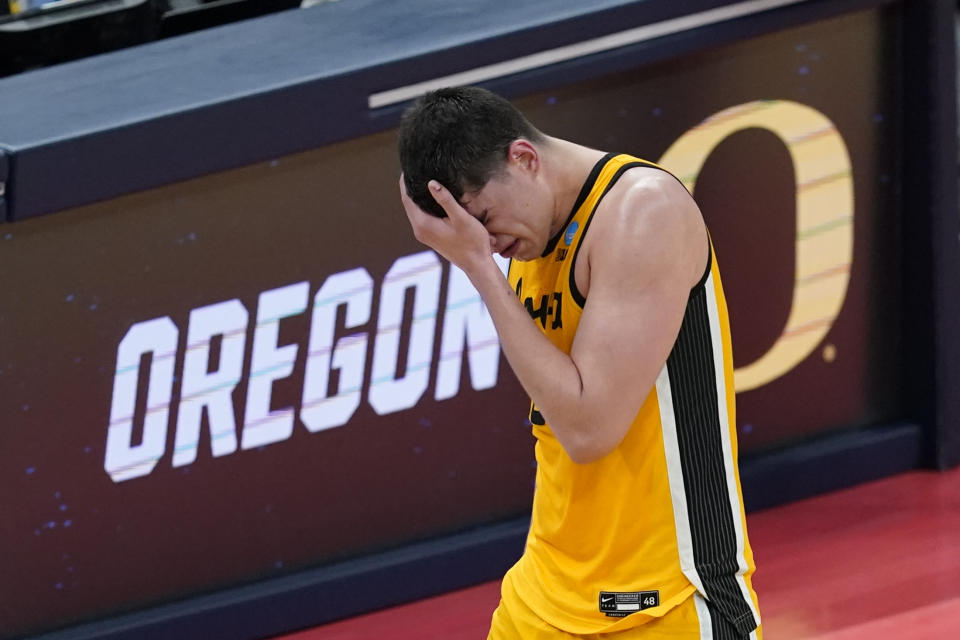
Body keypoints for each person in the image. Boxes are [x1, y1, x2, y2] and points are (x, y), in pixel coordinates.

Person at [397, 86, 761, 640]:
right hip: (546, 590)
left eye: (485, 220)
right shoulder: (527, 231)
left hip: (664, 599)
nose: (488, 242)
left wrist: (476, 267)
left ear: (524, 159)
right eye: (471, 235)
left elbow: (591, 429)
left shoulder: (643, 211)